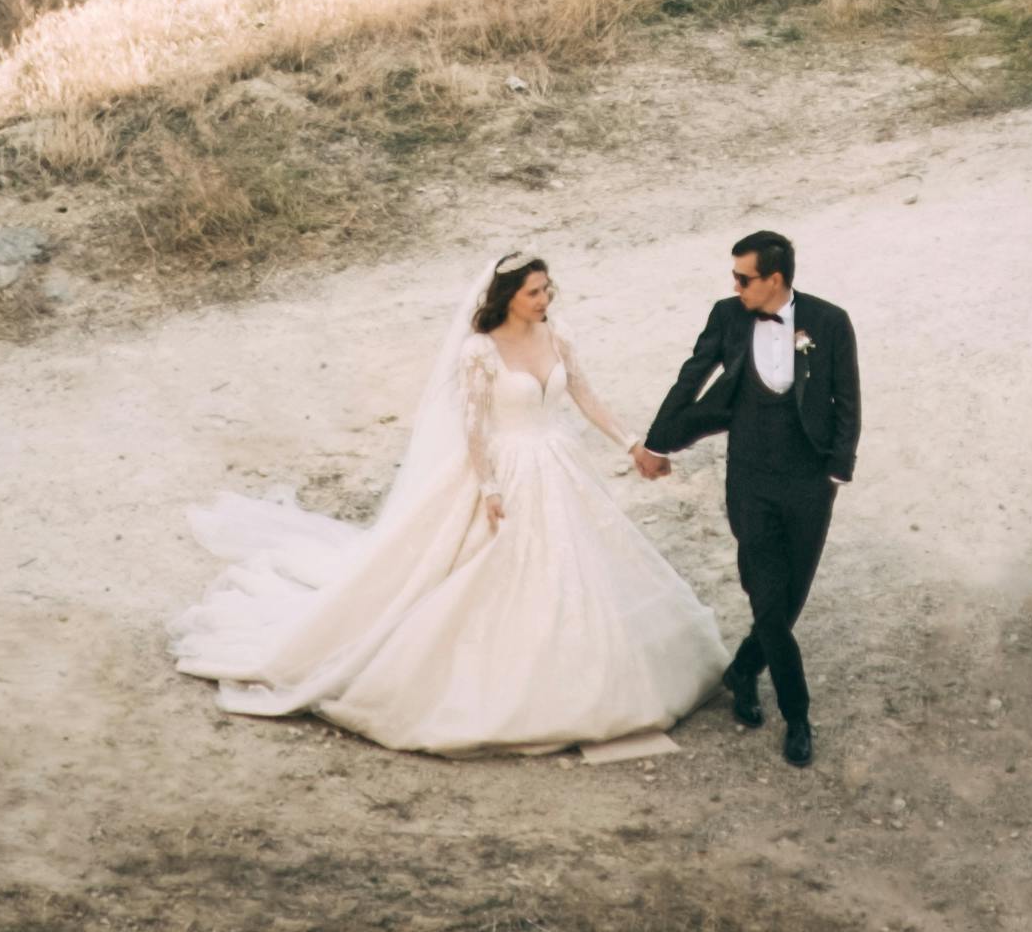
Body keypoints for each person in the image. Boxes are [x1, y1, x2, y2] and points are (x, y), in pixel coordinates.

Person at [173, 255, 723, 753]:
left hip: (557, 462)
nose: (545, 299)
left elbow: (584, 396)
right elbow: (474, 426)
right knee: (493, 569)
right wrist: (488, 487)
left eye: (547, 289)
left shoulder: (558, 336)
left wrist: (631, 444)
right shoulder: (480, 352)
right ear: (507, 296)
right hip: (506, 469)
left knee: (579, 565)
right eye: (534, 292)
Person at [635, 225, 860, 764]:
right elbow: (693, 376)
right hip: (751, 480)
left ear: (774, 279)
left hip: (809, 482)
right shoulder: (727, 316)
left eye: (743, 278)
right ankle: (798, 715)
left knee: (790, 598)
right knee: (766, 595)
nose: (735, 287)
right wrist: (656, 442)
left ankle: (742, 670)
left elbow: (847, 399)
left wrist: (837, 472)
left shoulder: (829, 322)